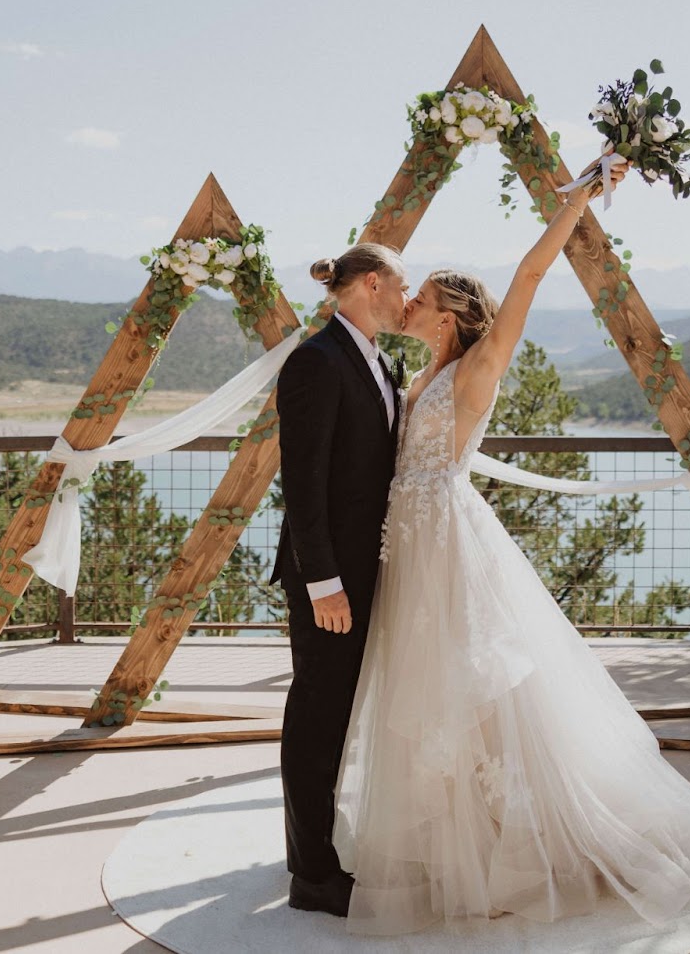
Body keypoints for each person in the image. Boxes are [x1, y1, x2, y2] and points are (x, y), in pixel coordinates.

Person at [331, 159, 690, 935]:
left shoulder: (478, 363)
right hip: (409, 546)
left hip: (448, 542)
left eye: (422, 298)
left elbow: (532, 274)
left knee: (487, 698)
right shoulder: (423, 366)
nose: (408, 305)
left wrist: (581, 198)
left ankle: (524, 844)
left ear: (450, 312)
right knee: (432, 701)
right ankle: (457, 842)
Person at [271, 242, 409, 917]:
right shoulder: (315, 361)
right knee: (318, 714)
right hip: (328, 581)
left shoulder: (379, 360)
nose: (408, 300)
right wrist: (322, 580)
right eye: (403, 286)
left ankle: (321, 845)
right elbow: (302, 483)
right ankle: (312, 876)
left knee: (339, 712)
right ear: (374, 284)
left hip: (367, 568)